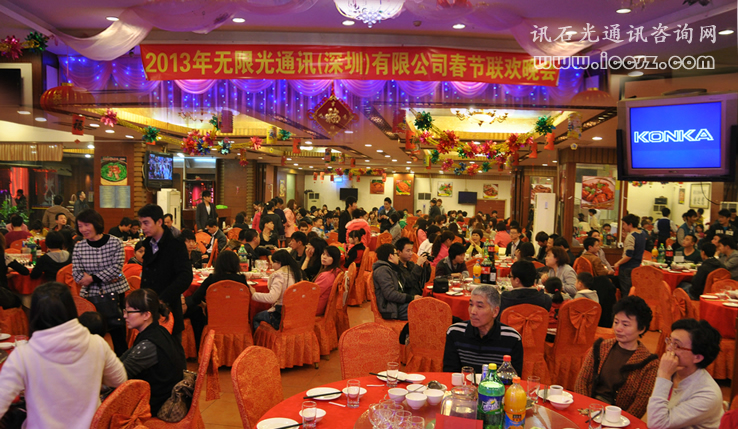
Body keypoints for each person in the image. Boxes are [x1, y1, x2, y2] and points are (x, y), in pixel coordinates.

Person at [0, 283, 127, 429]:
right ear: (71, 309)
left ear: (35, 314)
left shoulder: (24, 355)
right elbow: (120, 379)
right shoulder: (97, 344)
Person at [574, 296, 658, 418]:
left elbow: (641, 402)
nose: (618, 328)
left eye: (625, 324)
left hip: (619, 419)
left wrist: (617, 420)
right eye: (616, 322)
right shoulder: (600, 347)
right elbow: (582, 380)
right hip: (588, 410)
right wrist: (587, 409)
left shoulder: (649, 363)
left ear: (641, 329)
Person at [72, 209, 130, 355]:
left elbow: (116, 269)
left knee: (118, 333)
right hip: (90, 295)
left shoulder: (115, 242)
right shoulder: (79, 247)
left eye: (87, 225)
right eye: (80, 226)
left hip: (115, 294)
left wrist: (91, 278)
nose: (83, 229)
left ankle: (122, 362)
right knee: (91, 335)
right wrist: (106, 276)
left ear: (96, 223)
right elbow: (77, 275)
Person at [647, 319, 723, 429]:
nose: (668, 348)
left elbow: (657, 424)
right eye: (669, 341)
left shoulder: (708, 394)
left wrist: (663, 375)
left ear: (697, 357)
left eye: (677, 345)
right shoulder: (672, 371)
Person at [122, 288, 186, 416]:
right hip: (162, 394)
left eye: (129, 312)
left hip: (157, 402)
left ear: (146, 315)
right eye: (124, 311)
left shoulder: (149, 344)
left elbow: (119, 375)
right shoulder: (158, 331)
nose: (124, 316)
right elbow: (125, 358)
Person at [138, 204, 193, 344]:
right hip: (149, 308)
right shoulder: (148, 244)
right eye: (141, 223)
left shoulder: (175, 244)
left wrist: (162, 299)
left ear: (159, 222)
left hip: (168, 307)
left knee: (172, 349)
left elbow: (185, 277)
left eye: (146, 223)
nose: (143, 227)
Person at [443, 285, 523, 374]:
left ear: (495, 312)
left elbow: (514, 378)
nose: (472, 311)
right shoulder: (455, 332)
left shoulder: (512, 338)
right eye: (471, 305)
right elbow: (450, 374)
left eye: (480, 306)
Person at [184, 251, 247, 349]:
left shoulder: (212, 279)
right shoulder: (241, 280)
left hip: (214, 317)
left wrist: (205, 305)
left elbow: (195, 298)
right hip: (237, 317)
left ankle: (199, 346)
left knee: (195, 309)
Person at [250, 249, 302, 332]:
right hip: (295, 313)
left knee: (256, 317)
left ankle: (262, 340)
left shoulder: (279, 276)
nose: (272, 264)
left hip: (280, 315)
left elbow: (272, 298)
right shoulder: (297, 273)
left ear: (279, 263)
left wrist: (254, 294)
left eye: (274, 262)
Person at [372, 243, 421, 321]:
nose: (398, 257)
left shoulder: (392, 268)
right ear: (391, 256)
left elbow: (405, 284)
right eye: (396, 254)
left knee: (425, 305)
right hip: (392, 309)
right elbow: (390, 294)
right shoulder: (383, 271)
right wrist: (411, 298)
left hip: (397, 304)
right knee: (425, 310)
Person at [614, 214, 648, 297]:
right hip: (637, 266)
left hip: (627, 267)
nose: (623, 227)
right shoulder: (642, 234)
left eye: (624, 224)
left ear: (630, 224)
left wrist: (618, 263)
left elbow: (628, 255)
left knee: (626, 292)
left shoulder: (631, 236)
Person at [0, 233, 27, 309]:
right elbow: (25, 271)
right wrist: (11, 270)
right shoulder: (4, 256)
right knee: (19, 300)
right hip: (3, 295)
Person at [314, 246, 342, 316]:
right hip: (322, 305)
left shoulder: (326, 276)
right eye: (323, 254)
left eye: (328, 256)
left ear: (335, 259)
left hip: (316, 307)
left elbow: (314, 293)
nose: (324, 257)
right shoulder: (336, 270)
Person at [544, 277, 570, 342]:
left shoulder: (544, 301)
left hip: (547, 334)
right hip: (564, 334)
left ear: (545, 290)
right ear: (562, 289)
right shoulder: (569, 302)